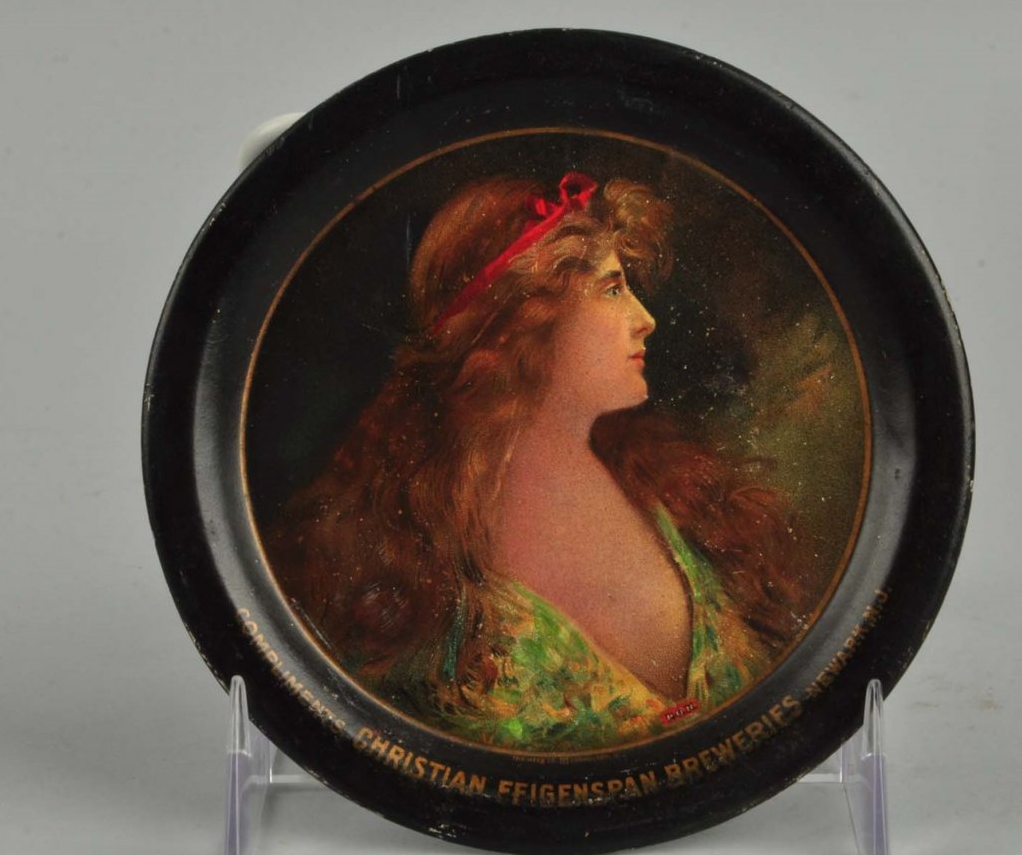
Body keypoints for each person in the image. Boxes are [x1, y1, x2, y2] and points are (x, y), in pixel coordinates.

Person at [266, 171, 805, 752]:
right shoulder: (413, 549)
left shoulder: (666, 484)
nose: (645, 318)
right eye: (612, 289)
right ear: (526, 323)